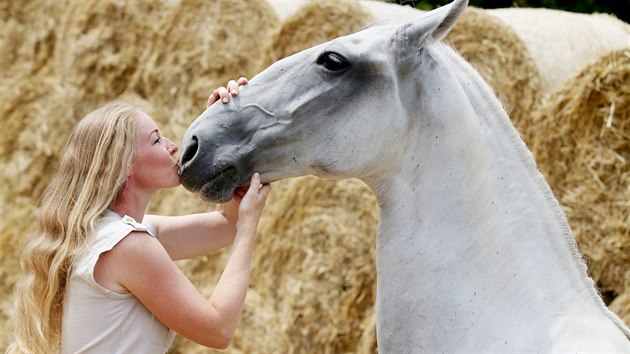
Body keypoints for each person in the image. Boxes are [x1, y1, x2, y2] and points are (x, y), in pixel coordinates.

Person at [8, 78, 271, 353]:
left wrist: (220, 128)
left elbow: (226, 224)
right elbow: (218, 331)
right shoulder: (127, 246)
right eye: (156, 139)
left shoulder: (109, 233)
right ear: (122, 166)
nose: (171, 145)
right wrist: (248, 230)